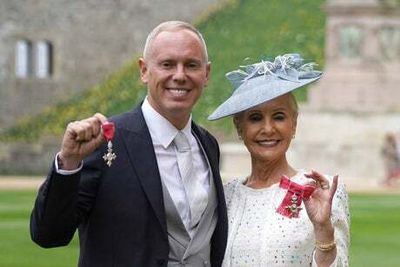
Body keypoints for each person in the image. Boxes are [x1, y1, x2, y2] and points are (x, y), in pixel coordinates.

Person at [30, 21, 228, 267]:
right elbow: (49, 234)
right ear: (144, 70)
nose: (179, 75)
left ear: (206, 73)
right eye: (167, 64)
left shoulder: (208, 145)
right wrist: (69, 162)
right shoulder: (104, 141)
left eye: (191, 65)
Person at [208, 54, 350, 266]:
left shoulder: (321, 192)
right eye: (255, 118)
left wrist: (323, 231)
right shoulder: (224, 197)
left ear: (293, 124)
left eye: (279, 117)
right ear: (239, 127)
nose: (268, 128)